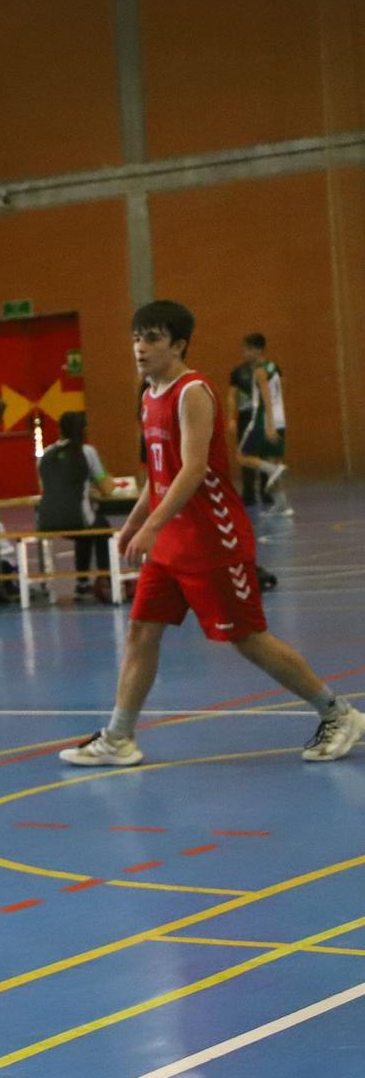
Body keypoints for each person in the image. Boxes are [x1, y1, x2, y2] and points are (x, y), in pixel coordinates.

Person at [62, 302, 360, 766]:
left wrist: (153, 524)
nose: (140, 346)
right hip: (171, 542)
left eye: (153, 338)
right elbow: (159, 475)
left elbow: (194, 469)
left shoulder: (192, 392)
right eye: (137, 336)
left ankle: (338, 713)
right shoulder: (148, 394)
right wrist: (137, 521)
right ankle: (119, 737)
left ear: (178, 345)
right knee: (142, 631)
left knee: (248, 638)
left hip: (212, 538)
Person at [36, 410, 117, 602]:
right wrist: (100, 485)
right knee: (101, 526)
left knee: (86, 531)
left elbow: (49, 488)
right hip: (76, 518)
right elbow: (107, 488)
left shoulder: (45, 455)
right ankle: (106, 579)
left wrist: (83, 488)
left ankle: (81, 584)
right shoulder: (87, 452)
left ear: (59, 430)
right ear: (84, 430)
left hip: (46, 520)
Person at [234, 333, 290, 516]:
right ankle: (283, 505)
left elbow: (266, 397)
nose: (244, 353)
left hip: (262, 420)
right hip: (280, 418)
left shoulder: (259, 370)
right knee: (274, 461)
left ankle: (271, 470)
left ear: (256, 350)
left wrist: (270, 425)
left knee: (242, 456)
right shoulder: (274, 366)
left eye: (246, 349)